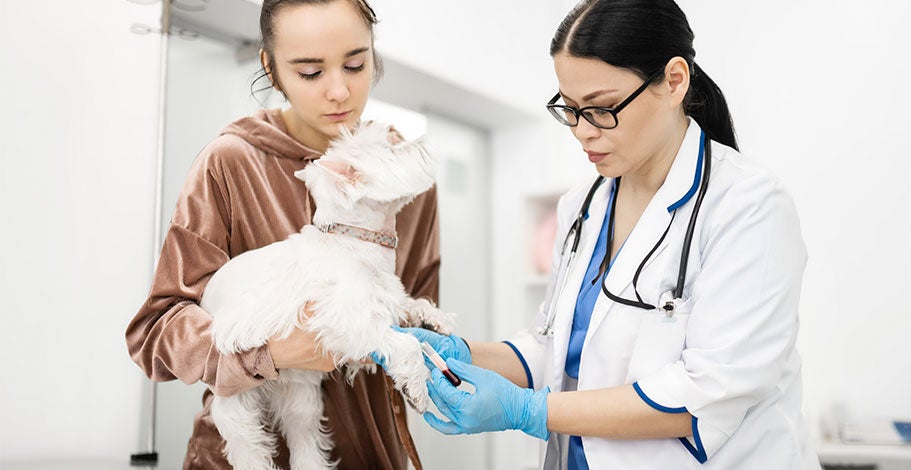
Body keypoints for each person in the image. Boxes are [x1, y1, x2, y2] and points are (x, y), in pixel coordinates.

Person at [392, 0, 821, 468]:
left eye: (601, 108)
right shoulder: (583, 205)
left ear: (674, 81)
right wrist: (464, 353)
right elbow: (553, 346)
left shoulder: (747, 205)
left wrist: (529, 411)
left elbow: (707, 392)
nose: (582, 131)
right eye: (570, 109)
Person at [124, 1, 440, 468]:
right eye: (311, 72)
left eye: (356, 64)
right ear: (271, 69)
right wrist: (267, 353)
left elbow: (416, 316)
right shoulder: (230, 163)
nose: (339, 91)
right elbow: (155, 334)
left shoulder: (400, 177)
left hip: (372, 452)